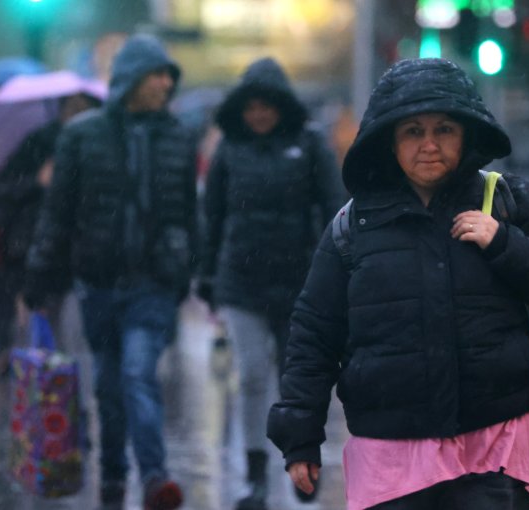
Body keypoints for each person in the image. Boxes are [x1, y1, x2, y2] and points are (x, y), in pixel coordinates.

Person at [266, 58, 529, 510]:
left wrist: (504, 243)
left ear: (466, 134)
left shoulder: (507, 201)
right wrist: (299, 437)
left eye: (444, 129)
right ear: (389, 141)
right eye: (412, 132)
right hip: (390, 454)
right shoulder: (351, 227)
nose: (429, 145)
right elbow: (313, 335)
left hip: (495, 444)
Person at [24, 34, 196, 510]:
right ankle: (115, 478)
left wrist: (187, 271)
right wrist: (39, 276)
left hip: (153, 283)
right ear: (131, 81)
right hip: (98, 284)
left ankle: (155, 477)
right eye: (157, 74)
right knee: (109, 387)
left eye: (168, 76)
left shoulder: (178, 137)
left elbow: (187, 212)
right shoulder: (82, 136)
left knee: (139, 373)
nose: (166, 84)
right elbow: (57, 214)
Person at [197, 57, 345, 510]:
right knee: (252, 378)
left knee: (296, 381)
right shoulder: (229, 150)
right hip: (241, 284)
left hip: (300, 285)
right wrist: (205, 273)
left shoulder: (310, 143)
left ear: (281, 106)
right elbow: (213, 217)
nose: (258, 115)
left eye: (267, 106)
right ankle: (256, 476)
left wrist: (337, 270)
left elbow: (334, 208)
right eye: (251, 107)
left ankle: (304, 462)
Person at [0, 91, 104, 347]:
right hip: (40, 247)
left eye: (84, 108)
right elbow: (5, 189)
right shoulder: (38, 143)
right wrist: (37, 182)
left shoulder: (99, 146)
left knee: (76, 335)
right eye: (73, 107)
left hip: (83, 253)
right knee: (44, 330)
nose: (78, 114)